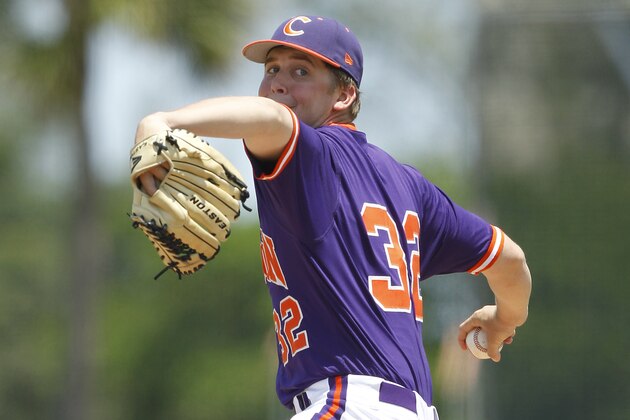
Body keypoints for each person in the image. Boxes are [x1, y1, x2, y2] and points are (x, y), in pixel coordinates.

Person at [134, 15, 532, 420]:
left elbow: (272, 118)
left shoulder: (312, 159)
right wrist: (504, 318)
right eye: (272, 69)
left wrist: (164, 122)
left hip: (348, 405)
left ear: (343, 94)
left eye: (300, 71)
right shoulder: (412, 188)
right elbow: (511, 260)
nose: (278, 83)